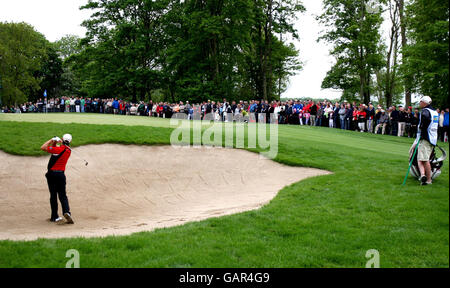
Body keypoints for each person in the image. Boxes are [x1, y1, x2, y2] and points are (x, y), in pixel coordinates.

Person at [40, 134, 74, 224]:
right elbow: (55, 152)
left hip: (51, 175)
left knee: (53, 196)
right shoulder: (68, 150)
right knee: (62, 195)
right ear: (70, 142)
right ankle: (66, 212)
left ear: (63, 139)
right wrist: (56, 142)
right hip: (60, 175)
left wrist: (51, 140)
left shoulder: (58, 150)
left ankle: (54, 217)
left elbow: (43, 147)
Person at [416, 96, 439, 185]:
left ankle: (428, 179)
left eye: (420, 101)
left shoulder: (425, 111)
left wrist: (421, 128)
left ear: (424, 103)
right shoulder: (434, 112)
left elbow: (424, 121)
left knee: (424, 160)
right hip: (433, 138)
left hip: (425, 138)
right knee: (422, 159)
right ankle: (422, 175)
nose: (420, 103)